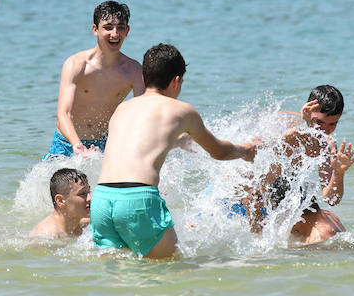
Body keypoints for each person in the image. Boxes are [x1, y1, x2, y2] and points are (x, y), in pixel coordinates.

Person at [90, 44, 260, 259]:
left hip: (102, 200)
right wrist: (245, 150)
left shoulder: (123, 108)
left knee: (119, 274)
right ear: (176, 81)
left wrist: (177, 141)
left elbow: (139, 142)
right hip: (137, 200)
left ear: (144, 77)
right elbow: (218, 152)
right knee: (171, 272)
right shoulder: (182, 110)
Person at [238, 84, 354, 244]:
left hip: (277, 198)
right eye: (319, 122)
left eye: (332, 124)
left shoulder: (326, 144)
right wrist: (303, 126)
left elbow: (331, 199)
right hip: (243, 196)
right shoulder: (285, 121)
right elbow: (256, 150)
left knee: (326, 225)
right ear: (308, 110)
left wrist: (338, 174)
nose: (325, 130)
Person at [44, 1, 144, 159]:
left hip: (104, 144)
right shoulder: (76, 65)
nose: (115, 33)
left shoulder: (134, 71)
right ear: (95, 30)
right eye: (108, 27)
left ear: (128, 30)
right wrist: (78, 146)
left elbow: (143, 114)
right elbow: (63, 113)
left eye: (121, 27)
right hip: (67, 143)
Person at [29, 168, 91, 238]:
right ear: (60, 201)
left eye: (88, 192)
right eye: (82, 193)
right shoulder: (47, 236)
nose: (90, 198)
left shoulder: (80, 222)